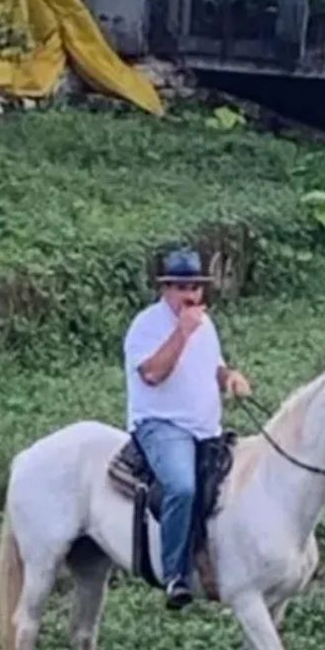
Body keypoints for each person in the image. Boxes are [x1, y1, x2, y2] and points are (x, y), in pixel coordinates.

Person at [123, 248, 251, 609]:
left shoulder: (205, 324)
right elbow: (152, 374)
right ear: (166, 290)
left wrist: (230, 377)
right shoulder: (146, 325)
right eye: (181, 287)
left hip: (206, 428)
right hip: (162, 425)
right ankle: (174, 573)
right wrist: (181, 332)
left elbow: (214, 365)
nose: (191, 294)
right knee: (181, 485)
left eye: (195, 286)